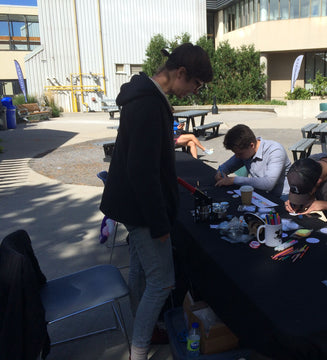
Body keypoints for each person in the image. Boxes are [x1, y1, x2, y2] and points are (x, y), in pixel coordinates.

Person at [100, 43, 213, 360]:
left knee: (140, 272)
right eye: (195, 85)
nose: (193, 92)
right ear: (181, 73)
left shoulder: (144, 98)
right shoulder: (149, 105)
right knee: (163, 282)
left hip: (130, 205)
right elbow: (142, 172)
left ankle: (144, 329)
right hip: (142, 211)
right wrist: (160, 223)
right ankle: (140, 349)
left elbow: (144, 151)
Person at [214, 124, 291, 198]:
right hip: (261, 194)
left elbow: (268, 184)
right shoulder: (245, 151)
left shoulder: (275, 151)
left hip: (282, 196)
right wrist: (220, 173)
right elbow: (225, 167)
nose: (237, 156)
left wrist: (234, 180)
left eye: (239, 153)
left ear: (251, 145)